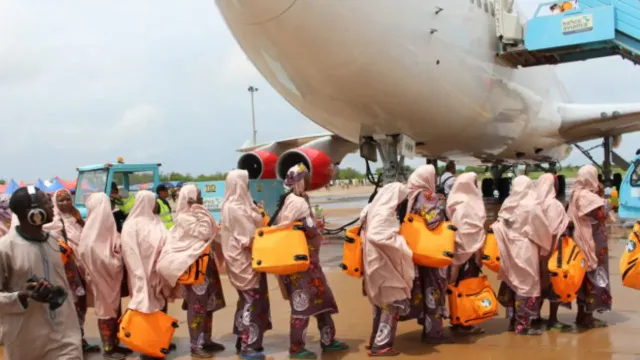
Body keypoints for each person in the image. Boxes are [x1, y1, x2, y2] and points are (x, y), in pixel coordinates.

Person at [273, 164, 348, 359]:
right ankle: (297, 348)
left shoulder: (295, 200)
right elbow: (309, 228)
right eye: (305, 178)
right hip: (300, 266)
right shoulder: (297, 203)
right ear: (298, 181)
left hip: (309, 265)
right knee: (302, 305)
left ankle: (328, 340)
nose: (308, 182)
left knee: (322, 301)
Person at [0, 186, 83, 359]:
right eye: (46, 202)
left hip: (65, 335)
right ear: (33, 211)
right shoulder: (5, 249)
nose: (52, 206)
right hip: (27, 339)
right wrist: (22, 296)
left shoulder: (54, 240)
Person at [156, 184, 226, 359]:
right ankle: (196, 346)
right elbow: (204, 232)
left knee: (208, 306)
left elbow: (213, 232)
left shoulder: (194, 214)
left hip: (205, 267)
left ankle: (206, 340)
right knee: (197, 308)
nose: (201, 199)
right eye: (198, 196)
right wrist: (199, 209)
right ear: (190, 199)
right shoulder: (185, 217)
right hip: (194, 269)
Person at [395, 164, 453, 344]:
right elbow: (433, 221)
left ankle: (427, 325)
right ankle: (433, 332)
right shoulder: (427, 196)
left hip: (415, 248)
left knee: (423, 288)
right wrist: (442, 204)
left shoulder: (409, 194)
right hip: (431, 251)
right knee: (433, 289)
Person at [220, 170, 272, 360]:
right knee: (252, 303)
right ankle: (249, 347)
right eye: (246, 182)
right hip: (245, 262)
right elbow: (250, 238)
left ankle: (242, 339)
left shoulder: (238, 205)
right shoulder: (235, 208)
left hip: (245, 260)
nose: (248, 185)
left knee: (245, 301)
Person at [43, 189, 100, 353]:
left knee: (81, 307)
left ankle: (80, 340)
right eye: (60, 201)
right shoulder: (53, 225)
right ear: (55, 203)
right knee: (68, 309)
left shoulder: (77, 219)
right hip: (67, 274)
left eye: (68, 199)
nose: (65, 203)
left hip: (82, 271)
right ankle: (69, 343)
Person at [494, 176, 552, 335]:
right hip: (525, 249)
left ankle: (513, 321)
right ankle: (523, 325)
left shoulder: (508, 204)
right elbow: (541, 230)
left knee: (513, 282)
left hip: (509, 247)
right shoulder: (531, 206)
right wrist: (546, 248)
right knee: (527, 285)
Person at [361, 182, 414, 357]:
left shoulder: (371, 208)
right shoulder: (384, 213)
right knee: (392, 302)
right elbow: (378, 236)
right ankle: (382, 345)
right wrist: (401, 244)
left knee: (379, 302)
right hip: (384, 263)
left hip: (373, 261)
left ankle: (375, 339)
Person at [121, 190, 173, 360]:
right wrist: (139, 275)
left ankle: (159, 341)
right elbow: (130, 253)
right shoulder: (131, 225)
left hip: (157, 273)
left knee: (159, 306)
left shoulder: (156, 222)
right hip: (141, 273)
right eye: (153, 201)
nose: (156, 205)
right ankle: (146, 344)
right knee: (144, 308)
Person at [77, 193, 130, 359]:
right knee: (105, 312)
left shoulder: (103, 229)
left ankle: (115, 344)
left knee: (113, 311)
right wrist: (117, 259)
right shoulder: (92, 235)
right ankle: (108, 348)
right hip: (102, 280)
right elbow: (100, 258)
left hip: (112, 280)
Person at [567, 165, 613, 328]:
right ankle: (587, 316)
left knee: (584, 276)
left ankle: (582, 314)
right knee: (594, 276)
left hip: (580, 241)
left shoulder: (575, 193)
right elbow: (601, 214)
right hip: (591, 242)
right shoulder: (586, 196)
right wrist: (605, 200)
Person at [446, 172, 487, 335]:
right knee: (468, 289)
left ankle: (457, 319)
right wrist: (478, 254)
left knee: (457, 288)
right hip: (469, 254)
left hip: (458, 253)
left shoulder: (456, 205)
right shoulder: (470, 206)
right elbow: (473, 233)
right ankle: (466, 323)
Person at [535, 174, 571, 331]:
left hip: (536, 251)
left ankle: (535, 317)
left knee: (539, 287)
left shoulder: (534, 204)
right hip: (552, 251)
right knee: (554, 285)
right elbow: (554, 231)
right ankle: (553, 319)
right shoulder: (554, 205)